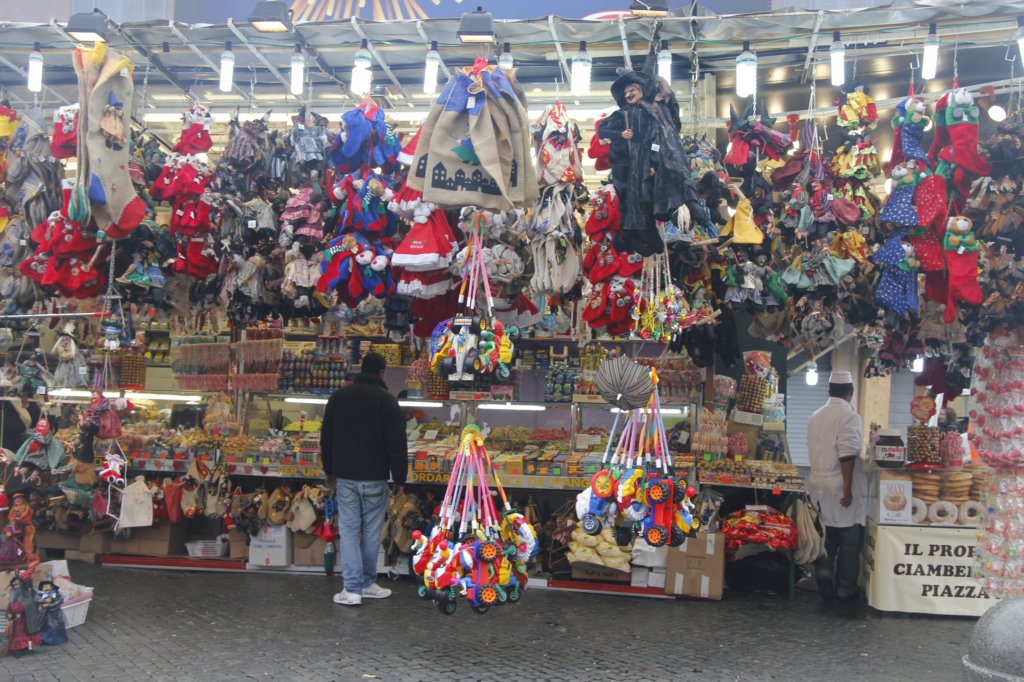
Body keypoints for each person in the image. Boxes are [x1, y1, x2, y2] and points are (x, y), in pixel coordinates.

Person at [320, 352, 407, 607]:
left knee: (349, 530)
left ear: (361, 370)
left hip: (346, 476)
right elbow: (397, 443)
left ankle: (352, 589)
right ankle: (367, 583)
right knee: (371, 531)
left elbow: (326, 437)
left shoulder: (339, 397)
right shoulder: (387, 400)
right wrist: (399, 478)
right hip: (375, 477)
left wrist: (329, 470)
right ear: (382, 372)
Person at [806, 370, 866, 602]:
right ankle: (845, 588)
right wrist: (848, 489)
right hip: (839, 484)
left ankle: (823, 575)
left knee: (825, 535)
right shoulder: (849, 416)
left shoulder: (815, 416)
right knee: (849, 539)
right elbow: (847, 455)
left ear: (829, 390)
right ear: (851, 392)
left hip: (817, 484)